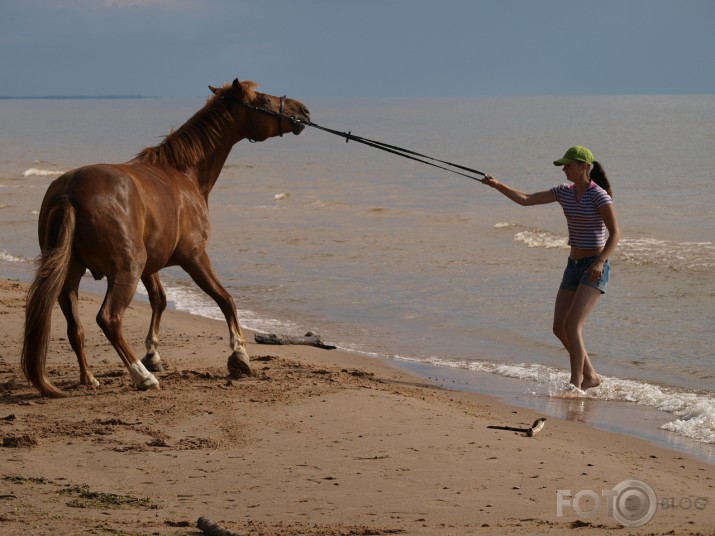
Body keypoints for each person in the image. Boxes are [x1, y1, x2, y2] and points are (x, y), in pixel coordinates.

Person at [482, 146, 621, 390]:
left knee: (572, 326)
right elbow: (526, 200)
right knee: (559, 327)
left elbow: (616, 234)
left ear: (583, 167)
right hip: (573, 265)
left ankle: (575, 385)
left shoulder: (599, 196)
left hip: (594, 267)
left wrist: (600, 261)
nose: (564, 169)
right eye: (564, 165)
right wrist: (497, 185)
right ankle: (591, 376)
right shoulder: (563, 192)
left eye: (569, 165)